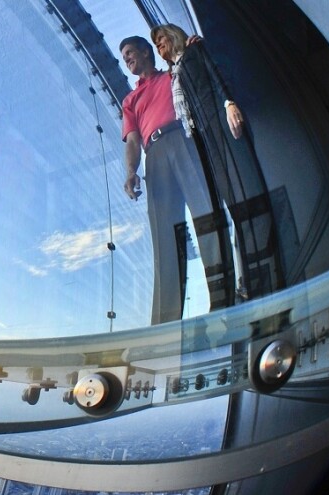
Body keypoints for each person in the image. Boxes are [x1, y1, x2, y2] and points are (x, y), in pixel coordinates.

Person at [150, 24, 284, 301]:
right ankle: (249, 279)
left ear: (174, 36)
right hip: (203, 139)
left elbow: (216, 73)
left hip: (218, 124)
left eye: (162, 38)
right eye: (156, 43)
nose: (159, 44)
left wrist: (228, 103)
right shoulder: (173, 72)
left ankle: (268, 276)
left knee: (244, 190)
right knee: (231, 202)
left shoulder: (195, 50)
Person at [119, 35, 235, 324]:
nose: (127, 59)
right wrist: (131, 171)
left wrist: (191, 47)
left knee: (207, 216)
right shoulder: (130, 100)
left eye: (131, 52)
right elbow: (132, 140)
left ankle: (224, 304)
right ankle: (164, 323)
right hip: (154, 155)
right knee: (165, 236)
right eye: (123, 57)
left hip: (184, 141)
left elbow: (191, 67)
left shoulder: (171, 74)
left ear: (147, 52)